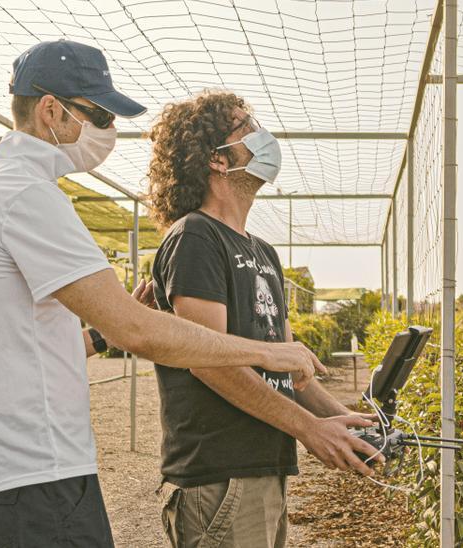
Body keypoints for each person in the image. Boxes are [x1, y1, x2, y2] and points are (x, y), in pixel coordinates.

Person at [0, 41, 324, 548]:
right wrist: (270, 352)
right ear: (51, 110)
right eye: (98, 114)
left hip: (0, 474)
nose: (110, 131)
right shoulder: (27, 195)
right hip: (39, 475)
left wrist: (98, 334)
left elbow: (19, 343)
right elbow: (135, 329)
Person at [144, 90, 381, 547]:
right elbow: (208, 360)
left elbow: (293, 371)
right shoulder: (195, 237)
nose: (262, 136)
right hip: (219, 474)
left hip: (262, 467)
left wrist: (359, 428)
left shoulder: (262, 251)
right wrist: (310, 430)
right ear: (216, 159)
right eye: (246, 127)